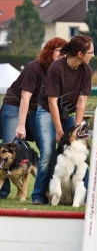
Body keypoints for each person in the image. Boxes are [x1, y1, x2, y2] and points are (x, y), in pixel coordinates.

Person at [0, 37, 67, 199]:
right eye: (60, 51)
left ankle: (46, 190)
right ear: (50, 51)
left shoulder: (58, 71)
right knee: (9, 146)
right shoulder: (34, 68)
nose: (63, 55)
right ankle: (3, 191)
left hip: (37, 109)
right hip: (15, 105)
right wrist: (21, 125)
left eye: (65, 52)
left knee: (47, 145)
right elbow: (25, 97)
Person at [31, 34, 94, 205]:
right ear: (80, 54)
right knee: (49, 151)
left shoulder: (86, 71)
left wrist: (77, 130)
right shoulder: (56, 68)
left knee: (81, 152)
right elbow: (52, 102)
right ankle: (38, 195)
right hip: (46, 111)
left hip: (68, 113)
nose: (93, 55)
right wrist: (59, 131)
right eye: (91, 52)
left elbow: (81, 102)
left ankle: (84, 196)